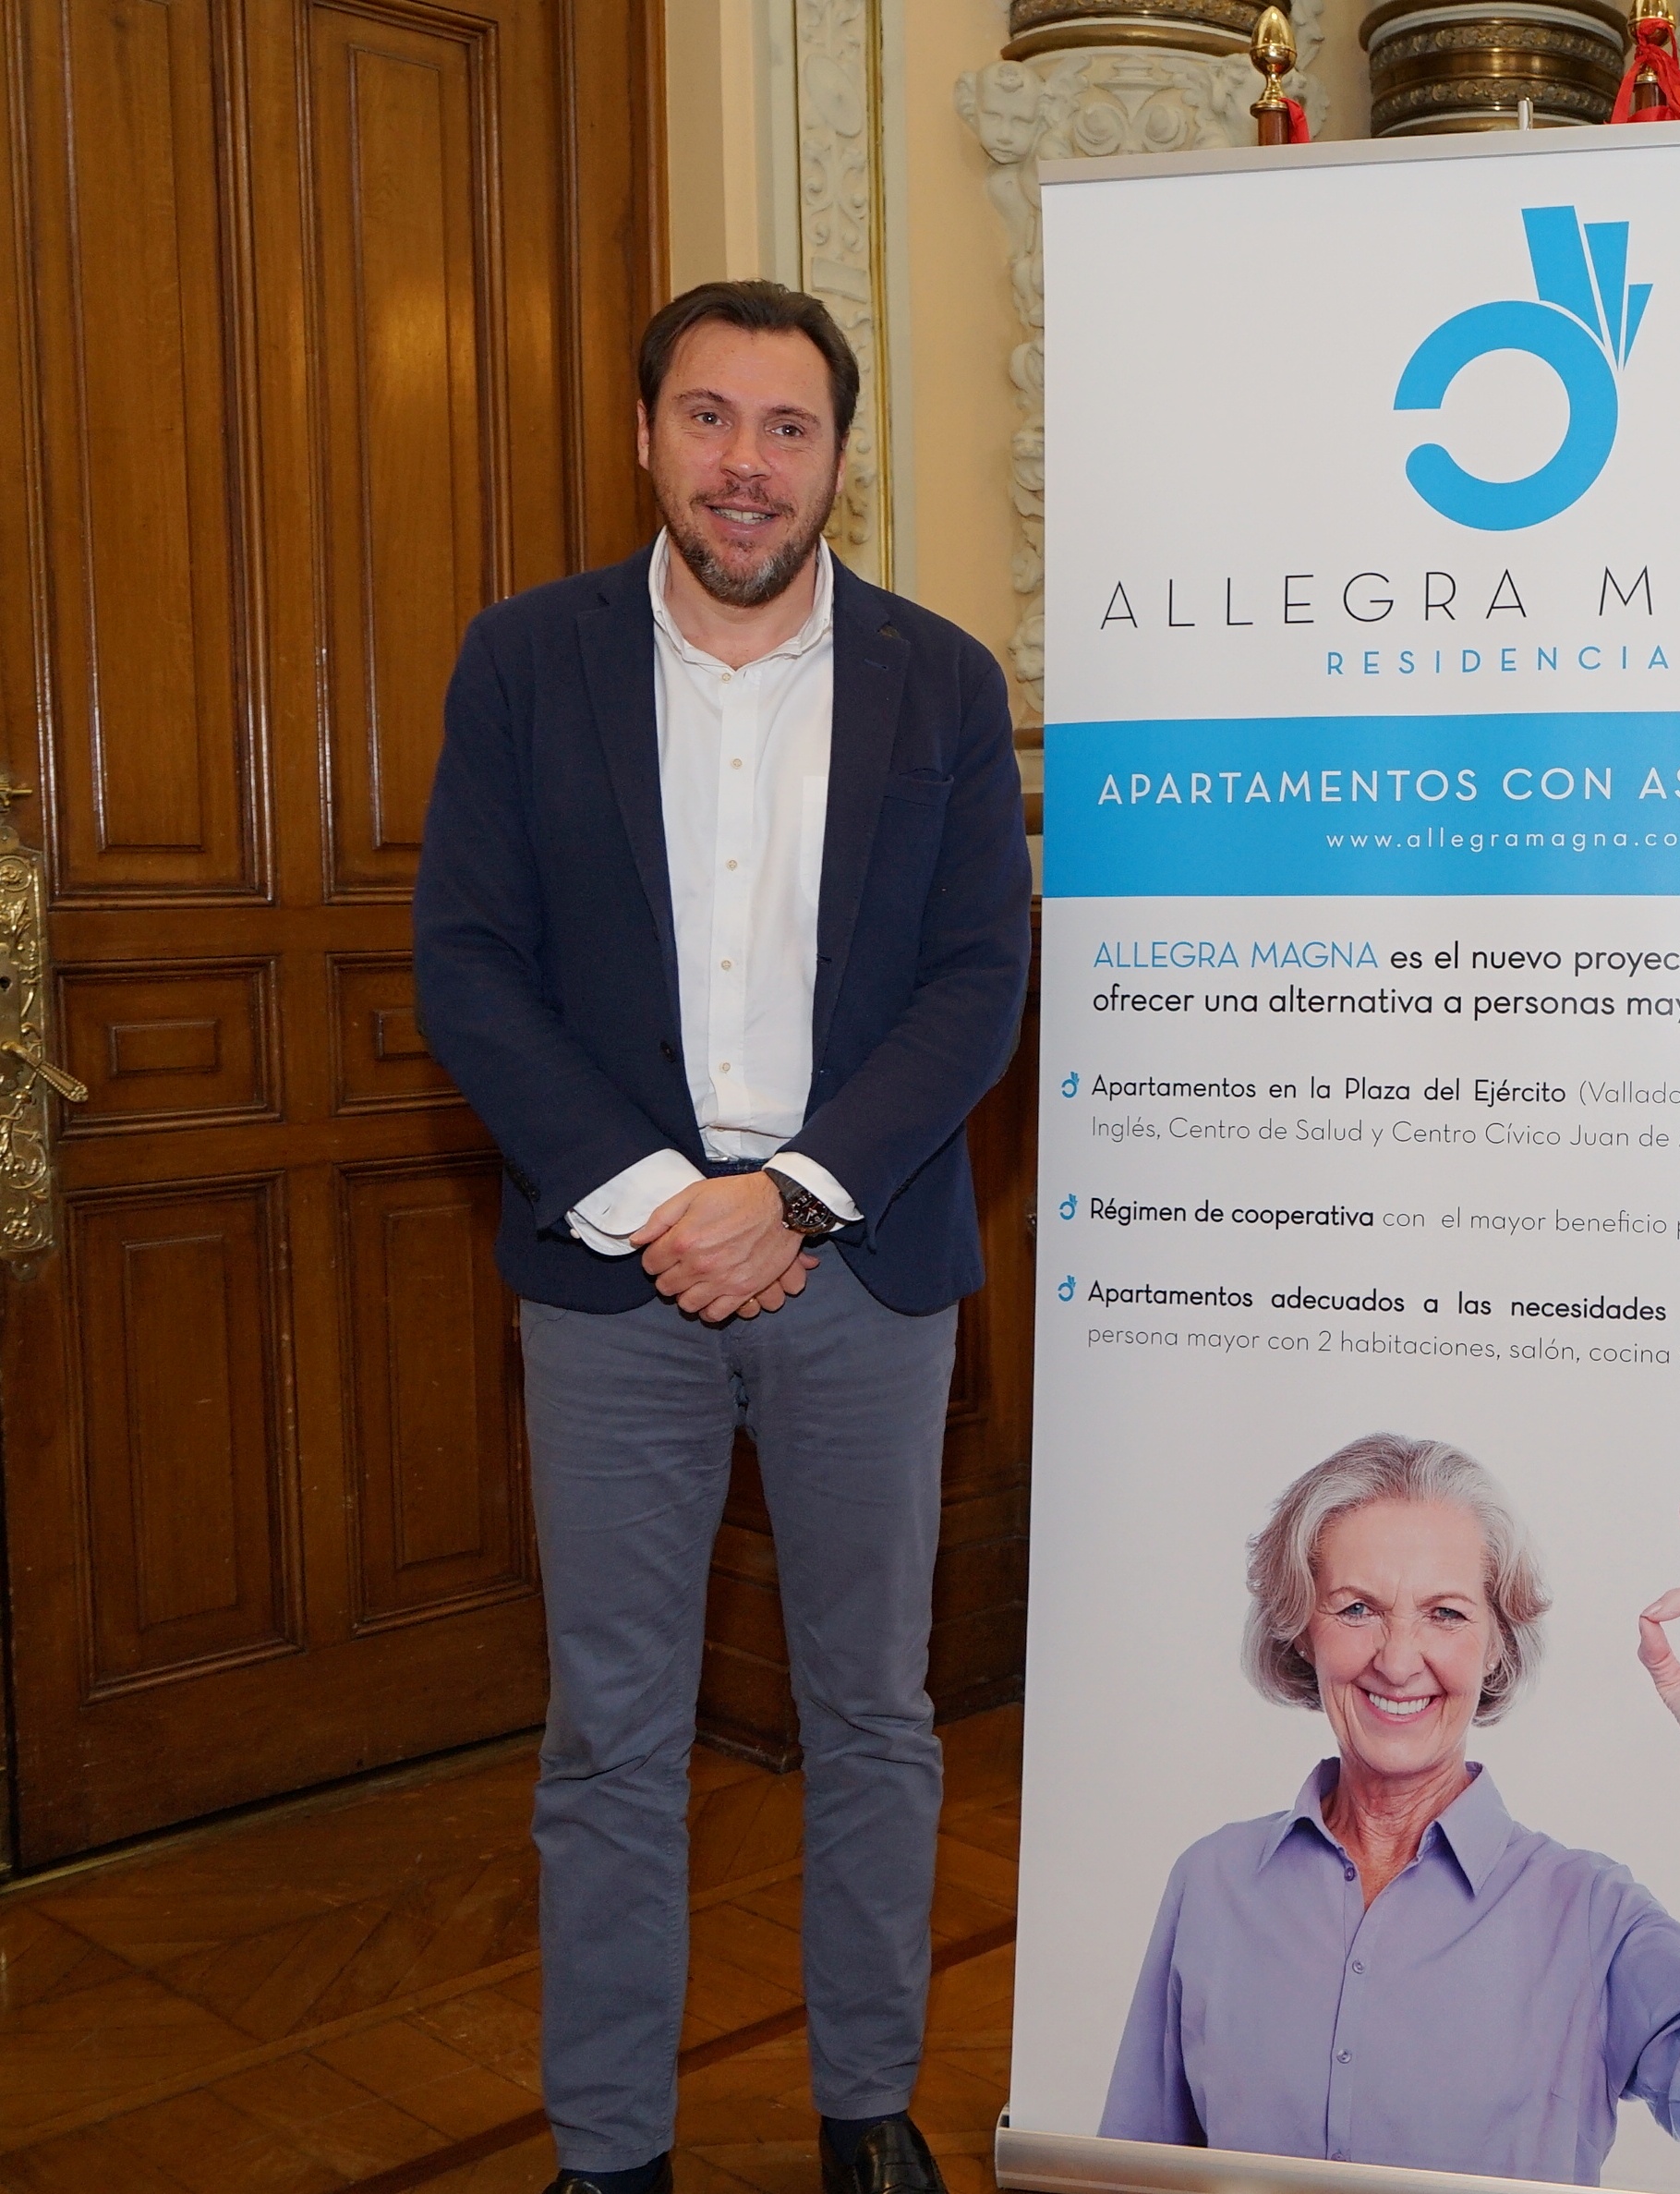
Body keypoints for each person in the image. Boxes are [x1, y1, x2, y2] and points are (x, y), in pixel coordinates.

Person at [414, 280, 1033, 2194]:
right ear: (644, 436)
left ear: (840, 456)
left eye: (787, 427)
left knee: (872, 1712)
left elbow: (976, 980)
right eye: (708, 417)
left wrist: (797, 1195)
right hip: (615, 1274)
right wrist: (660, 1205)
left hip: (862, 1260)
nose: (745, 464)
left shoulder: (940, 678)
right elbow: (470, 964)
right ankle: (610, 2149)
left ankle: (867, 2107)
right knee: (610, 1733)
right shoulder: (523, 664)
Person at [1101, 1434, 1680, 2184]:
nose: (1399, 1660)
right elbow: (1131, 2172)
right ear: (1302, 1630)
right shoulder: (1212, 1881)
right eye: (1357, 1608)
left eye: (1446, 1613)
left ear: (1499, 1641)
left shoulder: (1587, 1912)